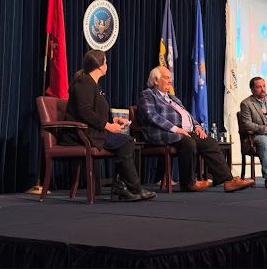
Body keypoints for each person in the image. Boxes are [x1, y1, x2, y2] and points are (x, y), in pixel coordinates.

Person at [137, 66, 254, 193]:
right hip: (162, 133)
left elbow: (187, 115)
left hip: (184, 133)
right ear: (155, 80)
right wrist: (176, 129)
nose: (170, 81)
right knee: (188, 143)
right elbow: (151, 116)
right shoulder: (148, 95)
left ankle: (228, 180)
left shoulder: (172, 97)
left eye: (170, 78)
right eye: (166, 78)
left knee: (209, 142)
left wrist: (197, 126)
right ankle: (188, 183)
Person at [61, 50, 156, 202]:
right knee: (125, 141)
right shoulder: (84, 82)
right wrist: (107, 125)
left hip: (94, 131)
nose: (107, 65)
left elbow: (97, 111)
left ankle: (120, 187)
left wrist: (114, 119)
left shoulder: (94, 85)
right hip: (82, 134)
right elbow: (84, 111)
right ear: (99, 66)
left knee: (127, 141)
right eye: (105, 62)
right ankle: (134, 188)